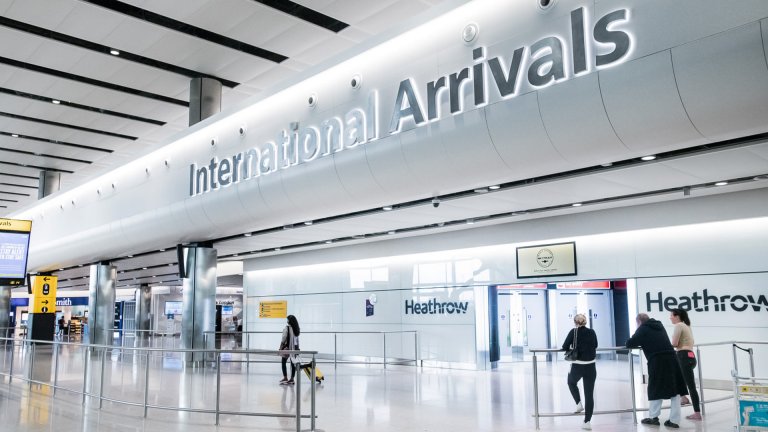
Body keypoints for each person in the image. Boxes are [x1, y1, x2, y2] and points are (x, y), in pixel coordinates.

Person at [626, 313, 688, 429]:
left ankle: (653, 418)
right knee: (675, 389)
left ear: (639, 322)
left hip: (657, 361)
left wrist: (637, 331)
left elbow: (629, 343)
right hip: (672, 359)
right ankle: (674, 420)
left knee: (655, 388)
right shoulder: (659, 326)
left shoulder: (643, 329)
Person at [561, 313, 598, 430]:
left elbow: (564, 346)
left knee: (571, 382)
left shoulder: (574, 332)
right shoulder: (592, 332)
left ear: (575, 322)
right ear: (585, 322)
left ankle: (578, 403)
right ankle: (587, 422)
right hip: (591, 366)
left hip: (577, 365)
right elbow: (596, 345)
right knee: (589, 395)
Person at [670, 308, 701, 420]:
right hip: (690, 357)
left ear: (677, 316)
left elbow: (674, 343)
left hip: (683, 356)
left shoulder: (678, 325)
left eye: (671, 315)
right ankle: (683, 398)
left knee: (691, 386)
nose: (670, 318)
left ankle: (697, 413)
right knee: (679, 379)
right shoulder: (687, 326)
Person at [279, 315, 300, 385]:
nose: (287, 321)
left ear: (289, 321)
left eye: (287, 319)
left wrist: (281, 346)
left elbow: (283, 338)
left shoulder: (287, 328)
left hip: (287, 347)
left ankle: (285, 377)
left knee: (283, 361)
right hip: (295, 348)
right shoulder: (296, 328)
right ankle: (292, 379)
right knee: (293, 363)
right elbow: (297, 340)